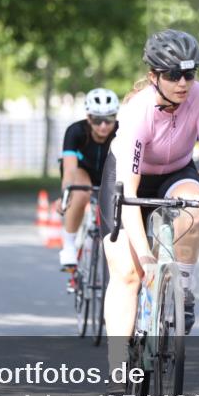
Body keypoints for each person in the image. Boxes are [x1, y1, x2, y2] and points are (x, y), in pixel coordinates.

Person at [100, 29, 199, 340]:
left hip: (177, 171)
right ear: (154, 75)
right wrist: (145, 257)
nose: (183, 83)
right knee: (127, 274)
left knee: (194, 208)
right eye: (172, 74)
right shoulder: (137, 111)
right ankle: (118, 371)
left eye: (189, 73)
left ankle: (183, 287)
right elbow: (129, 191)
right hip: (130, 178)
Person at [59, 88, 120, 273]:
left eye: (109, 119)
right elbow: (69, 169)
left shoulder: (122, 131)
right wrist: (65, 196)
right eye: (96, 119)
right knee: (80, 190)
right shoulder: (75, 131)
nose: (103, 125)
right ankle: (69, 245)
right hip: (82, 171)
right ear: (88, 117)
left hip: (109, 173)